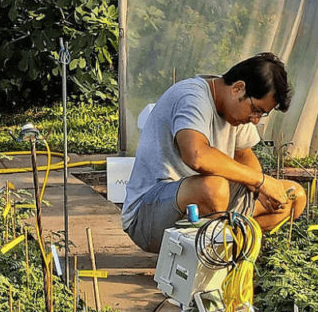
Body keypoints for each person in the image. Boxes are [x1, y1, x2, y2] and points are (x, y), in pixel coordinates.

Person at [122, 53, 306, 253]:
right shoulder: (192, 97)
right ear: (238, 88)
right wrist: (260, 180)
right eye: (256, 110)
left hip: (211, 206)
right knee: (213, 187)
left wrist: (259, 191)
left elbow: (243, 155)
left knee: (293, 197)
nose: (255, 120)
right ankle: (206, 262)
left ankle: (225, 248)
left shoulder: (236, 112)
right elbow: (196, 156)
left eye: (261, 114)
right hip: (150, 217)